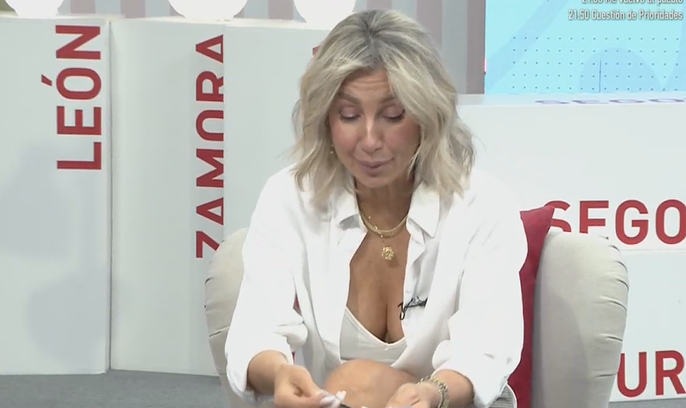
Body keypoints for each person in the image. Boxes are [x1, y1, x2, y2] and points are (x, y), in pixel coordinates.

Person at [225, 9, 528, 408]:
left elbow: (485, 352)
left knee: (357, 379)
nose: (369, 140)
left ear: (427, 116)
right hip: (338, 401)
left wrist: (431, 393)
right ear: (326, 120)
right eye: (349, 116)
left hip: (454, 402)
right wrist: (281, 372)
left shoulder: (483, 205)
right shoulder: (289, 197)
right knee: (353, 383)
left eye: (393, 115)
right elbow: (255, 331)